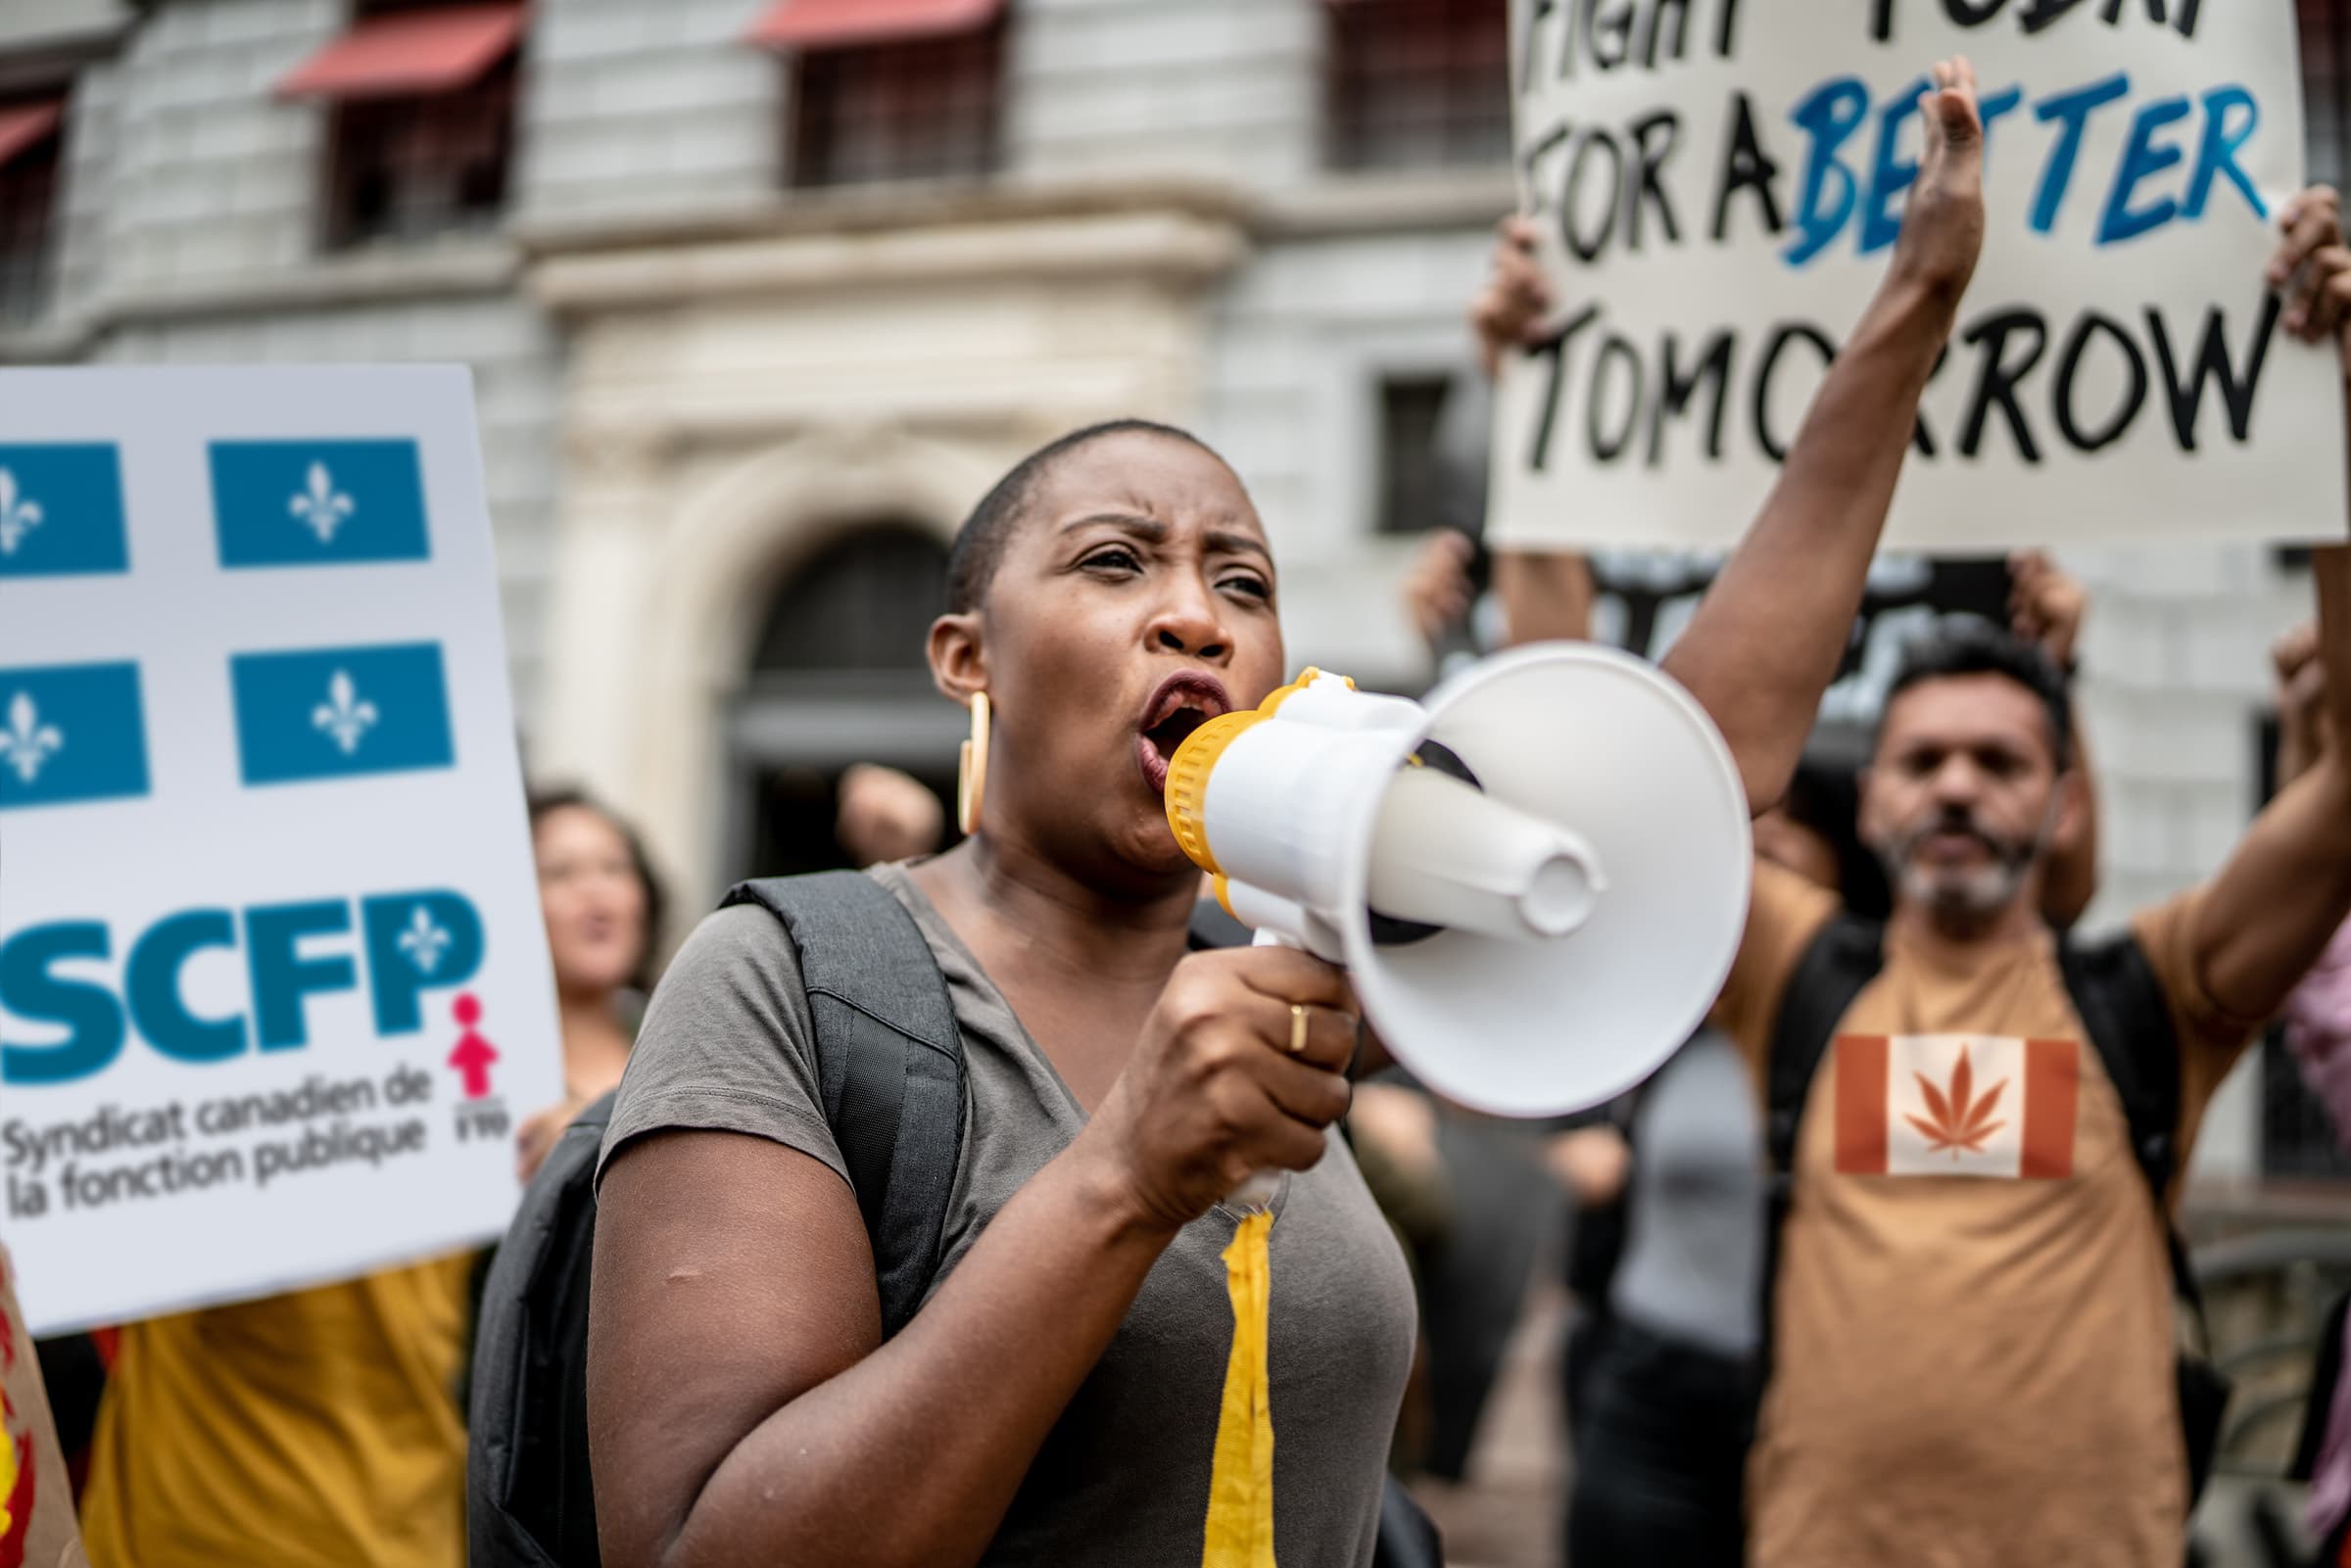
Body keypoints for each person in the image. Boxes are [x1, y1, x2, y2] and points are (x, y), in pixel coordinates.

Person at [582, 56, 1991, 1567]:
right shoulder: (784, 988)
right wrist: (1125, 1180)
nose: (1194, 614)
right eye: (1118, 563)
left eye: (1241, 582)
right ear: (966, 657)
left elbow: (1686, 774)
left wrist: (1912, 308)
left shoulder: (1306, 967)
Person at [1703, 179, 2351, 1567]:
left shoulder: (2161, 996)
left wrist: (2336, 429)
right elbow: (1644, 797)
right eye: (1922, 757)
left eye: (1998, 762)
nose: (1954, 785)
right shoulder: (1791, 971)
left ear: (2062, 803)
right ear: (1869, 793)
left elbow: (2348, 794)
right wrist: (1528, 409)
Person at [513, 788, 665, 1182]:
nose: (596, 892)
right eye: (560, 872)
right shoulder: (479, 1070)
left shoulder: (690, 1042)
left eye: (614, 868)